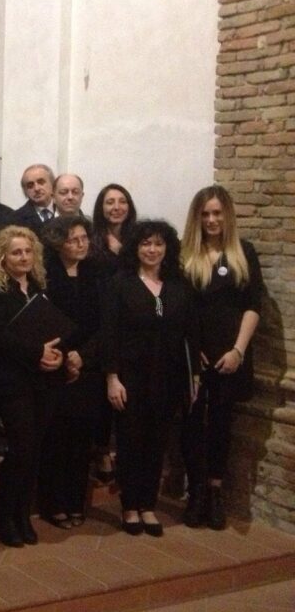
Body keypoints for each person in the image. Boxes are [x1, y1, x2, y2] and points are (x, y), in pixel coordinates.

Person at [103, 220, 196, 537]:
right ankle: (129, 506)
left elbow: (189, 334)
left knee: (157, 443)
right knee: (130, 442)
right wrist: (112, 377)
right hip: (131, 376)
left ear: (167, 248)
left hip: (168, 377)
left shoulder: (178, 284)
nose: (152, 249)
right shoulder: (121, 283)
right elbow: (110, 333)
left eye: (158, 243)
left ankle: (147, 505)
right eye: (145, 244)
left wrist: (191, 375)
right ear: (135, 248)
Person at [180, 186, 262, 530]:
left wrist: (238, 350)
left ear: (227, 215)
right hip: (193, 355)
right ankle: (195, 490)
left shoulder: (244, 252)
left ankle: (215, 491)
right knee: (191, 422)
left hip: (231, 354)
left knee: (220, 424)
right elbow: (177, 308)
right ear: (197, 217)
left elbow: (252, 307)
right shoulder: (184, 255)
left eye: (217, 213)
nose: (212, 220)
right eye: (205, 214)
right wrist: (189, 345)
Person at [0, 226, 64, 547]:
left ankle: (23, 514)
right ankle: (5, 515)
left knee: (35, 449)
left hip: (43, 377)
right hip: (11, 380)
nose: (23, 257)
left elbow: (51, 327)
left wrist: (57, 354)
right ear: (2, 256)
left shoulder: (40, 285)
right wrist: (36, 352)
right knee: (21, 447)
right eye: (16, 252)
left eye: (28, 251)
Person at [37, 216, 103, 529]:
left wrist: (83, 355)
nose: (81, 244)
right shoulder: (46, 275)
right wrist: (65, 355)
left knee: (81, 439)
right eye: (73, 239)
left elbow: (102, 323)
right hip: (56, 365)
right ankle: (53, 503)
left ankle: (76, 501)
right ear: (58, 242)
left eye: (84, 238)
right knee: (57, 438)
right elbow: (46, 321)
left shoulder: (95, 273)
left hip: (87, 366)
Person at [89, 183, 137, 483]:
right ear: (101, 208)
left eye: (121, 201)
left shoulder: (138, 239)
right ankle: (102, 449)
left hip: (132, 322)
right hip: (100, 319)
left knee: (128, 387)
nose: (116, 207)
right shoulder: (93, 240)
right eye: (109, 202)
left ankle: (125, 452)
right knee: (102, 388)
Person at [14, 164, 56, 235]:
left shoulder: (65, 211)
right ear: (25, 191)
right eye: (30, 185)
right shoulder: (16, 219)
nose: (36, 189)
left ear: (53, 184)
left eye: (41, 182)